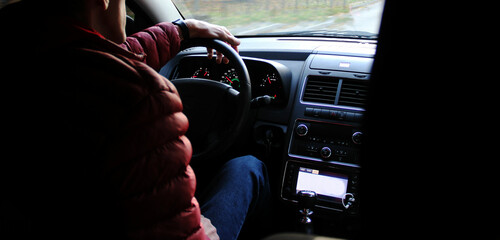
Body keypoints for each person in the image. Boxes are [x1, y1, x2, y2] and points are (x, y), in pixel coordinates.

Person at [0, 0, 269, 239]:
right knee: (247, 167)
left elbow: (109, 58)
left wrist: (182, 30)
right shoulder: (141, 98)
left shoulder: (28, 53)